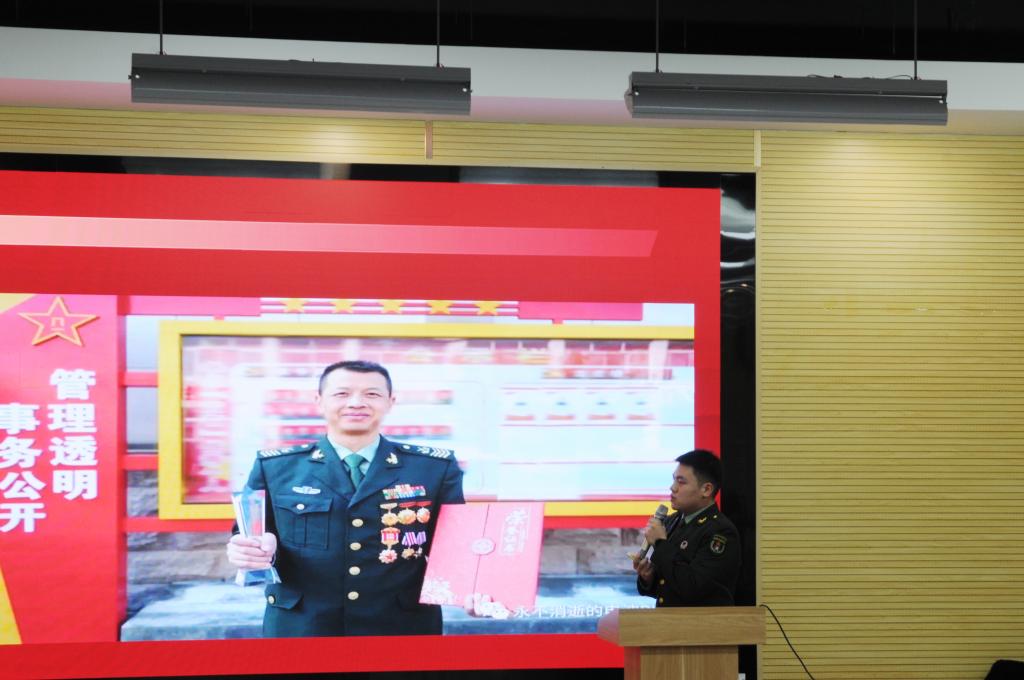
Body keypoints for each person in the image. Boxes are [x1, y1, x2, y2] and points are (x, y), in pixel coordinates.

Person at [226, 360, 465, 636]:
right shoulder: (276, 467)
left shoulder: (432, 467)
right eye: (342, 393)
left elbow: (457, 543)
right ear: (319, 401)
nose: (356, 403)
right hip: (303, 625)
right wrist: (254, 548)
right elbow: (249, 531)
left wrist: (475, 589)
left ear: (391, 402)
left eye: (372, 394)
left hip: (400, 625)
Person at [634, 449, 740, 606]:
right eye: (674, 480)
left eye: (681, 482)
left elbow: (695, 588)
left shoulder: (720, 531)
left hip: (702, 621)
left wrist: (660, 543)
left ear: (706, 489)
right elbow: (669, 587)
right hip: (668, 620)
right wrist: (649, 578)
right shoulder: (672, 521)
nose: (673, 487)